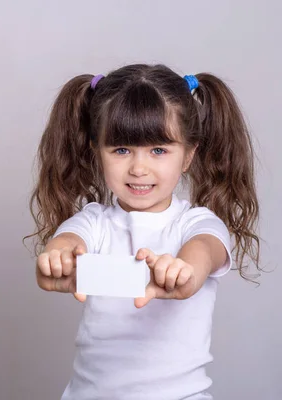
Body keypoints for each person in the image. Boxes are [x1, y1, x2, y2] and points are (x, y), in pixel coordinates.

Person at [26, 64, 261, 399]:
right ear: (97, 151)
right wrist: (56, 260)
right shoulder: (94, 222)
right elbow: (67, 241)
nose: (138, 168)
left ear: (188, 155)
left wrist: (183, 270)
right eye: (121, 150)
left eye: (158, 150)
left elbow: (204, 251)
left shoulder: (197, 223)